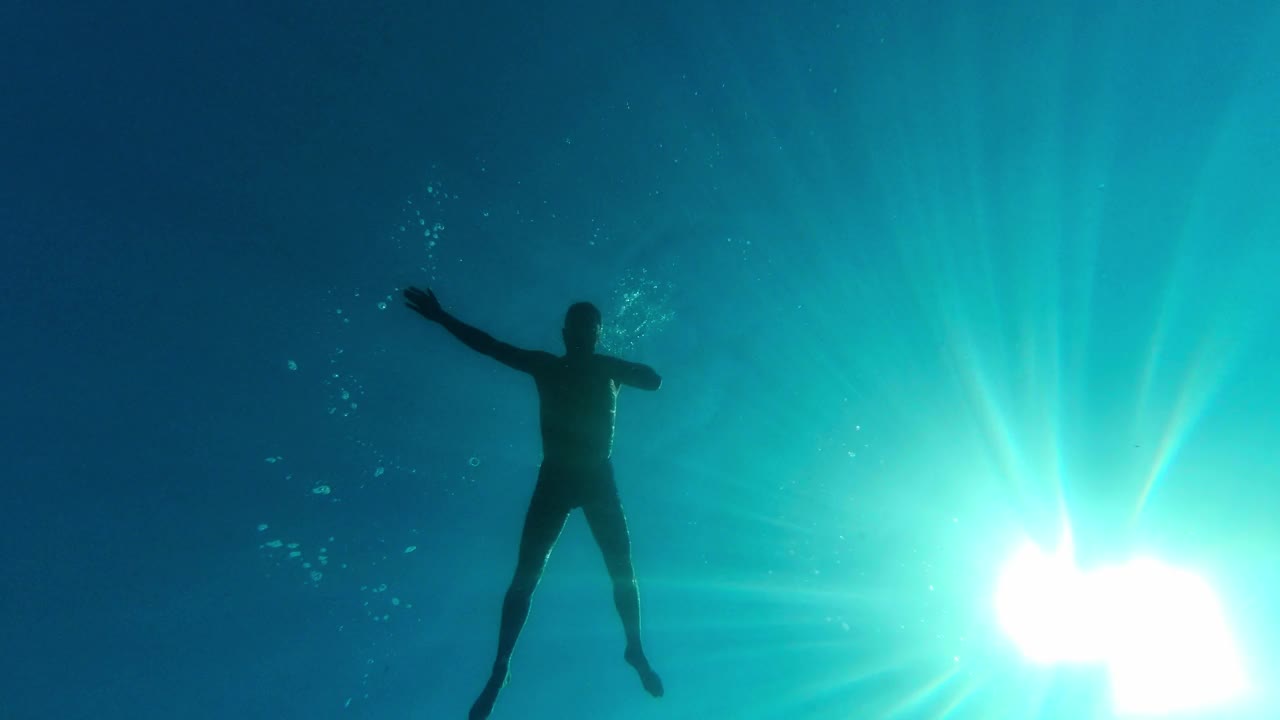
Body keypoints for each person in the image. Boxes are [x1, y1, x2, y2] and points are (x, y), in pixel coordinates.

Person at [403, 287, 665, 720]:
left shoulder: (605, 368)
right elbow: (490, 346)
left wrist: (626, 369)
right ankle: (501, 665)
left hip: (597, 478)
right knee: (526, 575)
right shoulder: (548, 365)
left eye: (590, 328)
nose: (582, 334)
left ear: (596, 333)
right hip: (557, 478)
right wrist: (442, 317)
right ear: (566, 332)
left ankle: (634, 649)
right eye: (577, 327)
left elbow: (654, 381)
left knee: (622, 570)